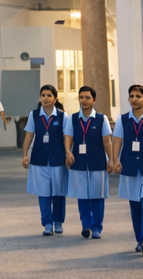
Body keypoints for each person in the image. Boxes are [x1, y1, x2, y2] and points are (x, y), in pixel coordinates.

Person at [109, 83, 143, 255]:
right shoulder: (122, 120)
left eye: (138, 96)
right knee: (135, 205)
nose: (134, 99)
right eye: (131, 96)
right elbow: (117, 141)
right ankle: (140, 239)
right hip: (130, 166)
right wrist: (114, 160)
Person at [64, 85, 110, 239]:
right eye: (81, 97)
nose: (84, 100)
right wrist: (68, 152)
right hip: (79, 162)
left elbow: (107, 141)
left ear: (94, 100)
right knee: (82, 196)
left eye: (87, 98)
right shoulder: (73, 118)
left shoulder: (101, 119)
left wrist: (112, 160)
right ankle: (86, 225)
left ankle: (97, 227)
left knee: (97, 196)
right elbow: (68, 137)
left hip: (98, 163)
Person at [21, 84, 67, 236]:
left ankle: (58, 221)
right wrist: (24, 154)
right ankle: (47, 223)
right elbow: (29, 136)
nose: (45, 98)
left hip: (58, 159)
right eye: (43, 95)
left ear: (55, 99)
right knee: (43, 192)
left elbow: (67, 137)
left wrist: (68, 153)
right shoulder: (34, 115)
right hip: (39, 159)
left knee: (58, 192)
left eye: (49, 95)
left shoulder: (62, 116)